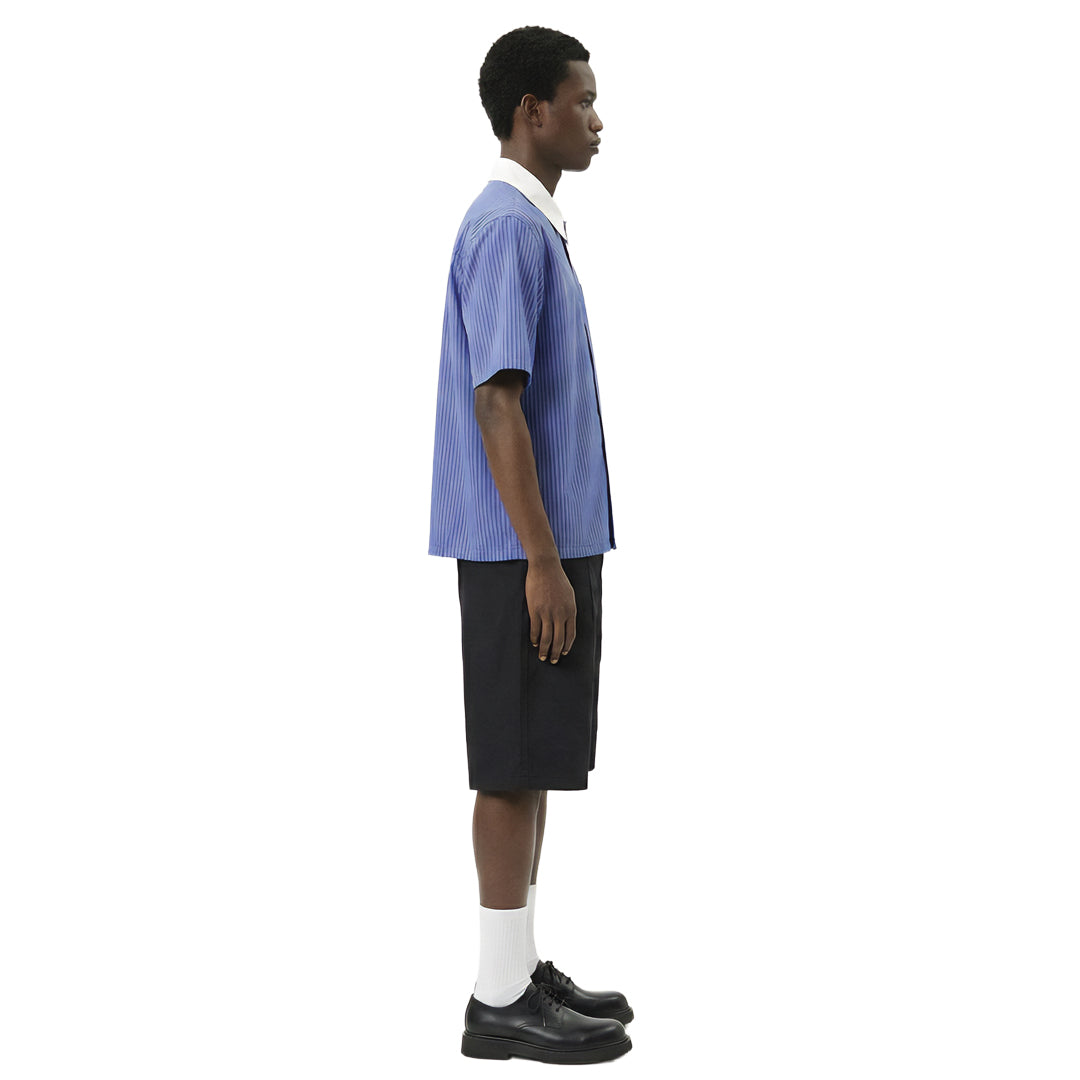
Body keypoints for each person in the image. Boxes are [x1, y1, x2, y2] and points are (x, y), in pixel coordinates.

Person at [428, 26, 631, 1065]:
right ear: (531, 112)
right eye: (582, 100)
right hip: (522, 553)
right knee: (509, 766)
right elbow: (497, 403)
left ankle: (518, 967)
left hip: (544, 545)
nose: (598, 119)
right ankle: (497, 998)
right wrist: (544, 562)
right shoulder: (506, 229)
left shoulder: (530, 225)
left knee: (535, 756)